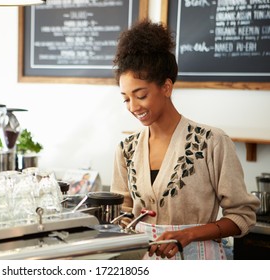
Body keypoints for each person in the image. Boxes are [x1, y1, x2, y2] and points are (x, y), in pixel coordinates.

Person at [110, 20, 260, 260]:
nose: (133, 107)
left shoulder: (211, 143)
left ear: (167, 87)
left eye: (141, 95)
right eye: (126, 99)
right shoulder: (126, 149)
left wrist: (189, 234)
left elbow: (242, 216)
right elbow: (122, 211)